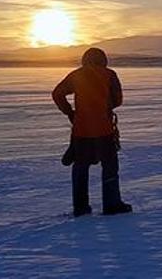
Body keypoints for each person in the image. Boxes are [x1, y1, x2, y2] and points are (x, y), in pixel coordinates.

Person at [52, 47, 132, 217]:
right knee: (109, 167)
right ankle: (111, 205)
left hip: (81, 131)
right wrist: (105, 106)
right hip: (104, 130)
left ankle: (80, 207)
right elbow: (118, 99)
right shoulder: (109, 75)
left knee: (80, 168)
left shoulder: (76, 75)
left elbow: (57, 94)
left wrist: (70, 112)